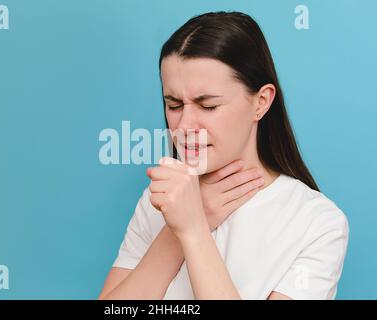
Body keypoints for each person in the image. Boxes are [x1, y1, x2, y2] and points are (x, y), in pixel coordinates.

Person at [99, 11, 349, 300]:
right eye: (175, 105)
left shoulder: (317, 222)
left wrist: (194, 229)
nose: (184, 126)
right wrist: (174, 232)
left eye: (208, 106)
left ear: (261, 102)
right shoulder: (159, 200)